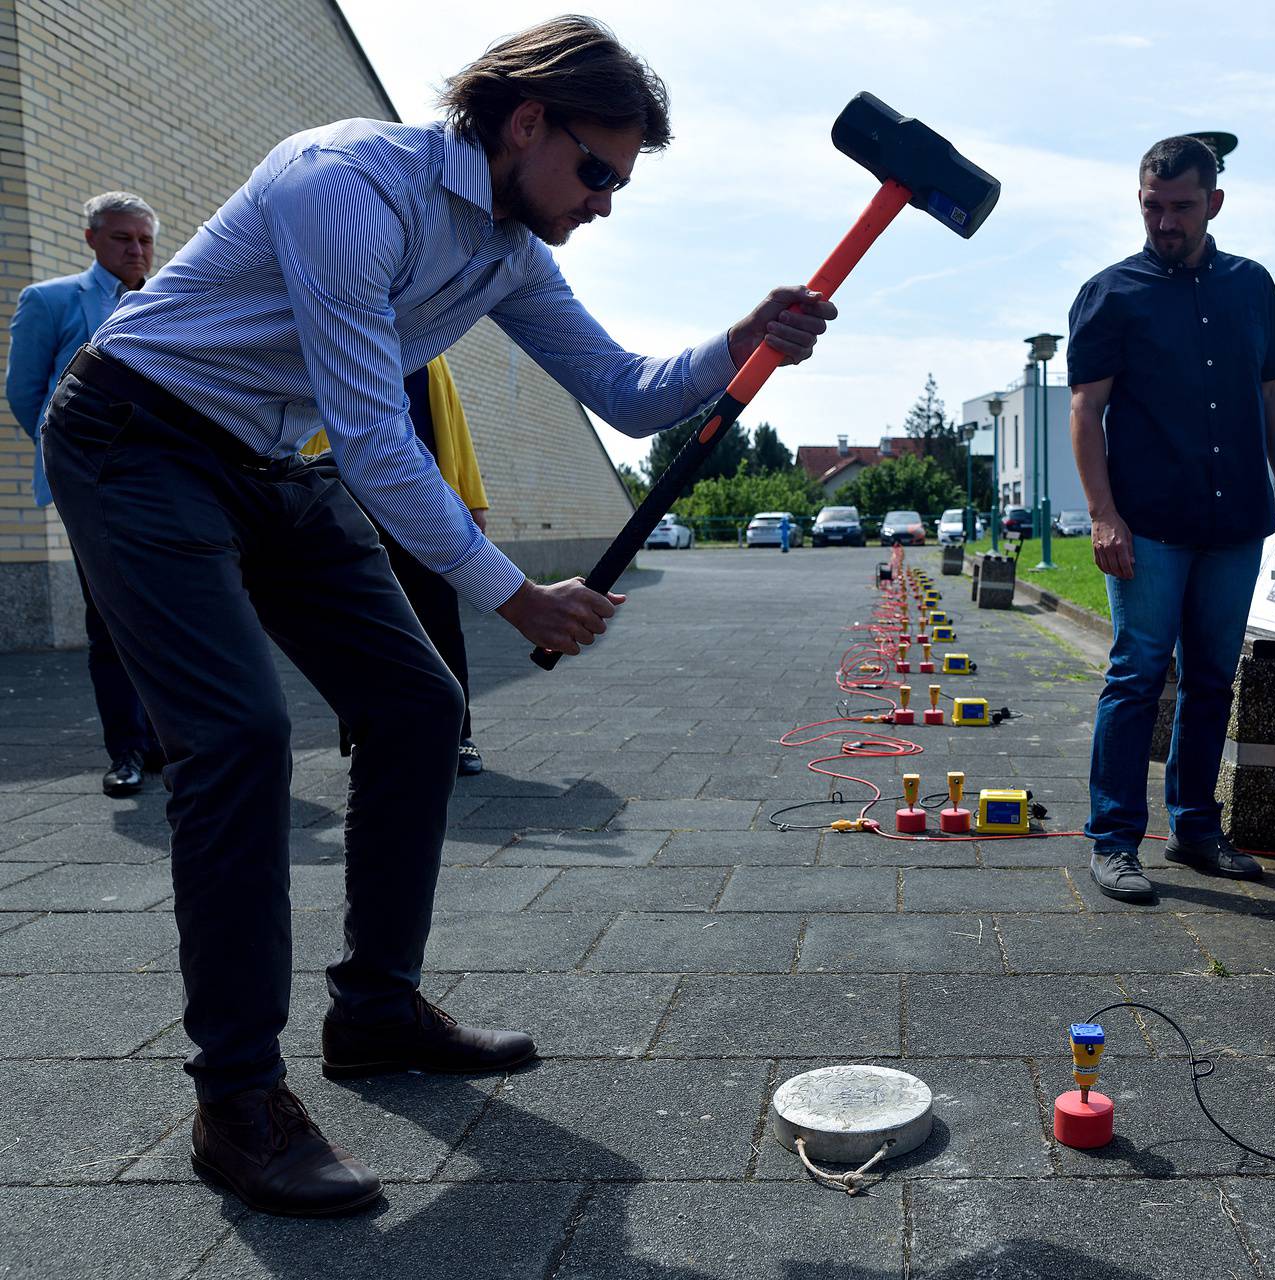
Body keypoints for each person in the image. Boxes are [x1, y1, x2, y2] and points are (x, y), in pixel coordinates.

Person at [41, 16, 834, 1217]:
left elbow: (626, 393)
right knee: (241, 741)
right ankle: (238, 1104)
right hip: (136, 435)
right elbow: (373, 436)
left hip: (270, 459)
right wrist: (519, 594)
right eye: (601, 172)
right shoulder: (348, 185)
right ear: (526, 122)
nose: (608, 201)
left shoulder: (510, 243)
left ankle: (374, 1008)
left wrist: (746, 337)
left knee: (418, 702)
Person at [1066, 136, 1275, 904]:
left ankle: (1197, 829)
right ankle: (1114, 841)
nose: (1165, 222)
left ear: (1215, 203)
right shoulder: (1112, 294)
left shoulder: (1251, 286)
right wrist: (1104, 515)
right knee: (1138, 675)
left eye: (1181, 207)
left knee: (1211, 679)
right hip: (1149, 527)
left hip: (1234, 520)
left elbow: (1273, 392)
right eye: (1152, 206)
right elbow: (1086, 411)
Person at [5, 192, 164, 796]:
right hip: (92, 484)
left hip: (161, 480)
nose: (136, 250)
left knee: (164, 617)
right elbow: (26, 394)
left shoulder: (167, 298)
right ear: (92, 238)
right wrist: (72, 460)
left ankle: (164, 744)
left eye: (145, 240)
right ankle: (126, 751)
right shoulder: (50, 301)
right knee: (109, 621)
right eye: (123, 238)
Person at [310, 355, 491, 776]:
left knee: (440, 620)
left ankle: (457, 736)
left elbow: (451, 420)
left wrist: (471, 495)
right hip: (350, 496)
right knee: (355, 622)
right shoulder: (333, 327)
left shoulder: (432, 347)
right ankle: (363, 736)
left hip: (423, 501)